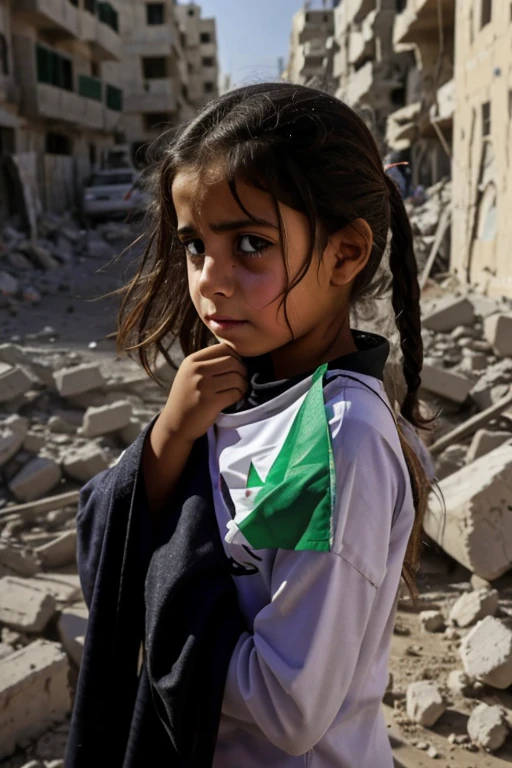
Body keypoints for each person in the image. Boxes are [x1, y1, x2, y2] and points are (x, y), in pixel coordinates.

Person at [66, 83, 434, 768]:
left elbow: (284, 704)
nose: (210, 279)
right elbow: (112, 537)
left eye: (251, 245)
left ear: (345, 254)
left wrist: (154, 596)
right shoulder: (235, 386)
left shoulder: (328, 439)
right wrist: (170, 438)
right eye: (195, 245)